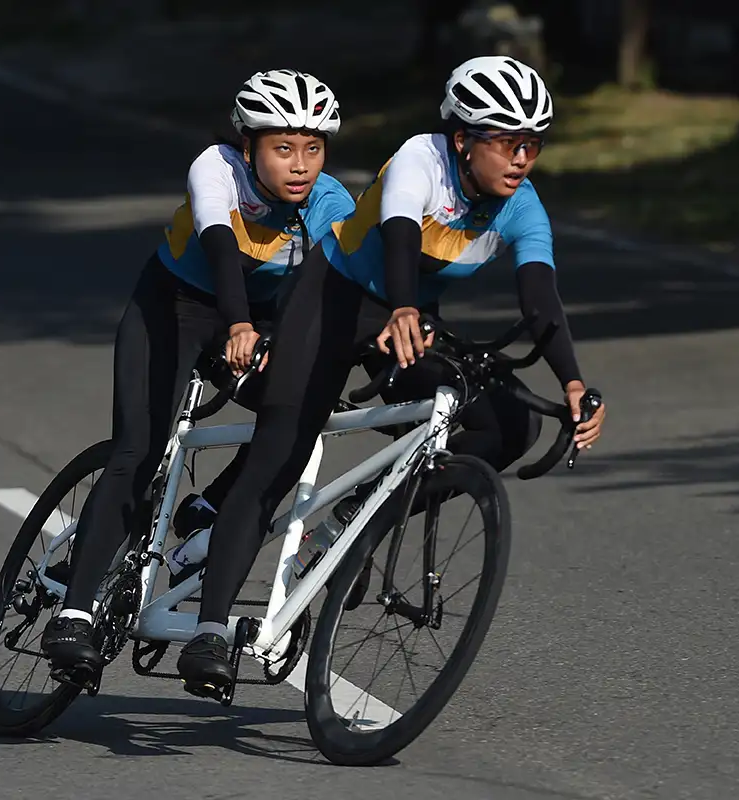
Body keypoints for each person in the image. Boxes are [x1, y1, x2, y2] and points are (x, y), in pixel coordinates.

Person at [175, 55, 606, 693]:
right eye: (508, 142)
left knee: (504, 424)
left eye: (532, 145)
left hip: (407, 314)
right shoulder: (420, 158)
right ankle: (210, 634)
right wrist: (403, 306)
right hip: (335, 298)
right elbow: (400, 231)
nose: (521, 158)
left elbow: (540, 299)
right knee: (282, 452)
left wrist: (571, 381)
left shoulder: (523, 206)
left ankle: (352, 519)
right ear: (463, 139)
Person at [40, 69, 355, 672]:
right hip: (175, 307)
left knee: (297, 414)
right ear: (249, 147)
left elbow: (336, 283)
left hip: (253, 321)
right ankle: (73, 615)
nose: (300, 164)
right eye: (283, 147)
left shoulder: (330, 201)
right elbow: (219, 246)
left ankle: (209, 511)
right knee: (141, 447)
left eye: (313, 149)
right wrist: (239, 324)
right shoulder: (217, 168)